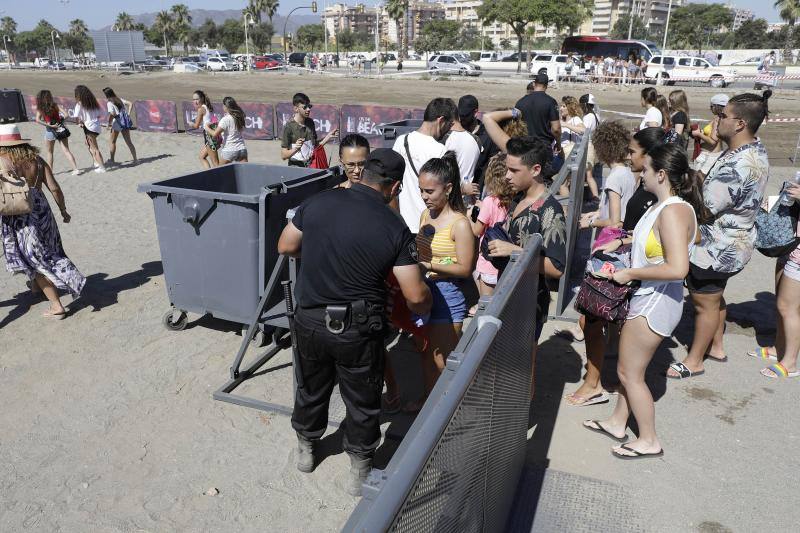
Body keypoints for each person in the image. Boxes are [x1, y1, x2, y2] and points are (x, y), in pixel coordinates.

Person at [277, 149, 432, 496]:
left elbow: (286, 246)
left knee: (310, 387)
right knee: (362, 398)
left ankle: (307, 448)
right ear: (394, 187)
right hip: (358, 328)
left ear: (361, 174)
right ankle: (359, 468)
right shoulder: (395, 227)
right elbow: (415, 294)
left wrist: (319, 251)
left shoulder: (317, 203)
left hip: (311, 320)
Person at [583, 143, 708, 459]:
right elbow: (662, 243)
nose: (641, 172)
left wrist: (630, 273)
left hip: (656, 301)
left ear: (662, 174)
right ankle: (617, 421)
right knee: (631, 369)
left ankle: (650, 439)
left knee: (629, 374)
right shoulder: (664, 207)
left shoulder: (673, 211)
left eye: (647, 169)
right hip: (651, 296)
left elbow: (679, 267)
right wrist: (623, 244)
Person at [670, 91, 772, 379]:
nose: (717, 120)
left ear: (739, 123)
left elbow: (704, 208)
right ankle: (716, 346)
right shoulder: (752, 149)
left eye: (723, 116)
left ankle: (694, 360)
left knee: (705, 303)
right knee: (715, 298)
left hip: (716, 247)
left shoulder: (739, 165)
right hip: (732, 242)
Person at [565, 127, 663, 406]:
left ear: (649, 155)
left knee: (592, 319)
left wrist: (610, 235)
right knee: (600, 321)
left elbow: (621, 223)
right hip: (625, 261)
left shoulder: (653, 194)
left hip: (623, 265)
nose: (628, 155)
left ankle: (593, 382)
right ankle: (604, 379)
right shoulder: (644, 186)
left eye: (633, 151)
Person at [487, 137, 566, 396]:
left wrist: (516, 252)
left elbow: (556, 267)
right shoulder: (518, 197)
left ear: (535, 170)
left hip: (530, 301)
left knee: (522, 370)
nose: (507, 176)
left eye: (514, 170)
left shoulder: (550, 211)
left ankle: (519, 422)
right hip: (509, 294)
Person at [0, 124, 85, 318]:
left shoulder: (2, 162)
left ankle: (57, 305)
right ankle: (37, 288)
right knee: (48, 249)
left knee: (34, 258)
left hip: (19, 214)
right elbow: (54, 188)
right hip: (42, 209)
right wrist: (63, 210)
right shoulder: (37, 160)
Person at [412, 153, 476, 406]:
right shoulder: (425, 215)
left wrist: (429, 265)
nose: (424, 197)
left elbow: (464, 267)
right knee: (427, 355)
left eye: (429, 191)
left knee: (444, 362)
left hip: (448, 296)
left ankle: (453, 410)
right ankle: (429, 407)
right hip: (423, 292)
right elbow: (423, 251)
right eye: (421, 190)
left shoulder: (459, 224)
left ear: (448, 188)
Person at [392, 97, 456, 232]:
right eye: (449, 125)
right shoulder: (440, 151)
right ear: (441, 120)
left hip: (401, 223)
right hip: (428, 225)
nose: (449, 130)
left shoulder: (401, 141)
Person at [468, 152, 514, 316]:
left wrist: (469, 216)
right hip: (505, 259)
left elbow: (477, 230)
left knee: (486, 305)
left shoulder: (489, 202)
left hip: (488, 261)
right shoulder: (512, 200)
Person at [579, 121, 635, 231]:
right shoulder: (628, 172)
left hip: (611, 239)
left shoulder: (614, 178)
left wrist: (591, 222)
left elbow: (614, 221)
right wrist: (597, 213)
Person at [281, 92, 339, 168]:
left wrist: (328, 137)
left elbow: (315, 147)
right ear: (296, 109)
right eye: (305, 107)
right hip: (296, 168)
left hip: (311, 166)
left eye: (309, 106)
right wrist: (295, 149)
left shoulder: (310, 122)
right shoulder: (288, 127)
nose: (308, 109)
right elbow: (283, 155)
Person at [445, 96, 482, 205]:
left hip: (462, 197)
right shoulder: (475, 139)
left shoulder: (484, 136)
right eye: (461, 115)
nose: (463, 119)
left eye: (466, 115)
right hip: (462, 197)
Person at [34, 90, 80, 176]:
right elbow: (66, 115)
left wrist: (49, 125)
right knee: (66, 150)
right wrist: (60, 121)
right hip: (60, 129)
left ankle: (50, 172)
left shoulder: (41, 108)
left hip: (50, 130)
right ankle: (75, 169)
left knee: (50, 152)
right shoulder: (55, 105)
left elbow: (37, 120)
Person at [514, 73, 562, 156]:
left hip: (525, 146)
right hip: (543, 146)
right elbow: (556, 129)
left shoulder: (520, 102)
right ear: (546, 86)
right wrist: (558, 143)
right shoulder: (550, 102)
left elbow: (515, 127)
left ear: (533, 84)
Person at [691, 93, 727, 177]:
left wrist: (699, 134)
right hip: (713, 154)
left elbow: (713, 141)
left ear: (716, 107)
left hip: (710, 156)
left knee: (700, 181)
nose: (710, 109)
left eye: (711, 106)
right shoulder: (721, 118)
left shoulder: (718, 120)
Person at [73, 85, 106, 173]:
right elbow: (101, 114)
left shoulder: (79, 104)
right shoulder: (94, 102)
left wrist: (79, 122)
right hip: (96, 126)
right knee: (87, 143)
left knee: (95, 148)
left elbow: (76, 116)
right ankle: (96, 162)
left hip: (89, 127)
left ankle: (101, 167)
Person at [205, 96, 248, 164]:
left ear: (226, 106)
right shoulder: (239, 117)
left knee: (220, 172)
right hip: (242, 149)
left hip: (229, 150)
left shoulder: (225, 119)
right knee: (244, 173)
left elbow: (215, 134)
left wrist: (206, 127)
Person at [102, 87, 137, 166]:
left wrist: (109, 124)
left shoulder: (109, 103)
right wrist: (128, 114)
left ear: (107, 95)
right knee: (129, 142)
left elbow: (112, 114)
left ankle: (112, 160)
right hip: (124, 122)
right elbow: (130, 103)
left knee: (112, 141)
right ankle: (135, 159)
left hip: (117, 123)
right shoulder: (119, 99)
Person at [191, 90, 220, 169]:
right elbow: (213, 120)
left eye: (197, 99)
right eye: (193, 99)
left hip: (210, 137)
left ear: (202, 98)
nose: (195, 101)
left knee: (216, 163)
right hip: (212, 135)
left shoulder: (201, 109)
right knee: (201, 157)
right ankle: (209, 175)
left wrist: (190, 124)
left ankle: (220, 179)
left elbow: (196, 126)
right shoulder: (208, 107)